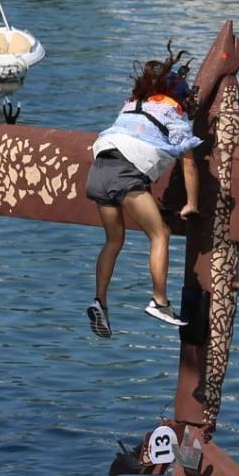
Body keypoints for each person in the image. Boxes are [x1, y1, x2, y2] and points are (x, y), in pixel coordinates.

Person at [85, 49, 202, 338]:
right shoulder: (174, 114)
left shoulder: (131, 104)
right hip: (126, 173)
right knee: (159, 233)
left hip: (99, 168)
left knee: (113, 240)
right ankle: (160, 302)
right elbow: (188, 164)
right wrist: (191, 203)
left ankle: (100, 301)